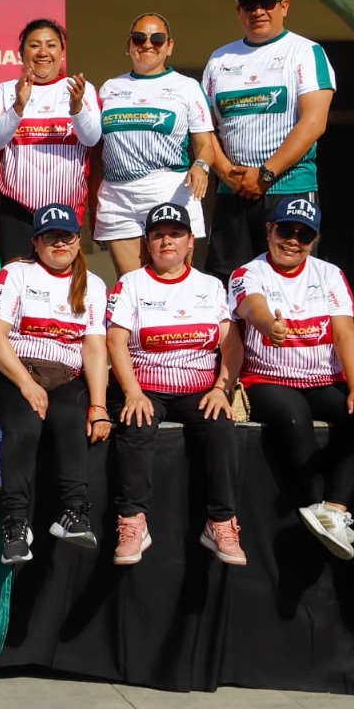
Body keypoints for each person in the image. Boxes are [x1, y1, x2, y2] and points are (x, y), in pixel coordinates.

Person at [106, 203, 246, 567]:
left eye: (175, 234)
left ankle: (221, 522)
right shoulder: (130, 284)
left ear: (190, 242)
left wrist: (221, 388)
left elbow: (231, 345)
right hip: (146, 384)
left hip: (200, 387)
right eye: (158, 235)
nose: (167, 241)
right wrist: (132, 391)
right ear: (148, 244)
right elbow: (116, 341)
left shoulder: (211, 286)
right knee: (136, 424)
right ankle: (133, 521)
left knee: (220, 427)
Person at [230, 198, 354, 558]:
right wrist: (268, 325)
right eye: (286, 230)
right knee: (294, 416)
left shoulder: (329, 274)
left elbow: (344, 333)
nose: (293, 240)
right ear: (269, 230)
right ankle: (314, 503)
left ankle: (334, 511)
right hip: (266, 377)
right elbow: (250, 305)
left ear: (315, 240)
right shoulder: (248, 272)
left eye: (304, 235)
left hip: (321, 376)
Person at [0, 204, 110, 564]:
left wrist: (99, 406)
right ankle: (16, 525)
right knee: (24, 425)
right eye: (50, 236)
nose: (59, 243)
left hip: (64, 376)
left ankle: (73, 514)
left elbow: (95, 348)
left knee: (72, 418)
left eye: (65, 235)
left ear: (77, 240)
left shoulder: (94, 285)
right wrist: (25, 383)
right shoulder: (16, 274)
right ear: (36, 242)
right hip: (11, 374)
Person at [204, 0, 337, 282]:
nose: (258, 11)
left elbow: (314, 122)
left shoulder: (306, 52)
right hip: (233, 190)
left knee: (291, 282)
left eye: (267, 2)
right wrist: (226, 172)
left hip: (289, 189)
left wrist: (265, 175)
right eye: (249, 5)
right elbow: (204, 129)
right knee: (230, 283)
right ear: (239, 11)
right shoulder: (219, 59)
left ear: (284, 7)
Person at [95, 13, 218, 276]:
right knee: (130, 284)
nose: (147, 44)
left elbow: (205, 143)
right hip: (118, 195)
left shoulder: (187, 87)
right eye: (139, 38)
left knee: (173, 279)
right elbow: (96, 147)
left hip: (169, 189)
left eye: (157, 39)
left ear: (169, 46)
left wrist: (201, 165)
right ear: (128, 45)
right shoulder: (109, 88)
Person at [0, 19, 101, 264]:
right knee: (16, 279)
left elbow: (91, 139)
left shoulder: (81, 89)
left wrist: (77, 107)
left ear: (61, 52)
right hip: (16, 208)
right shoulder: (5, 91)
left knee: (62, 284)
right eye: (34, 45)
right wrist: (18, 107)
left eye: (51, 45)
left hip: (65, 208)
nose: (43, 53)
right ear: (21, 52)